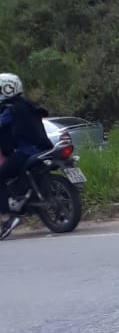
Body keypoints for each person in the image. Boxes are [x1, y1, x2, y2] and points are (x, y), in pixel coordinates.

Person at [0, 72, 52, 241]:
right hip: (43, 147)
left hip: (25, 151)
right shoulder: (28, 104)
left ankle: (7, 218)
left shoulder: (10, 109)